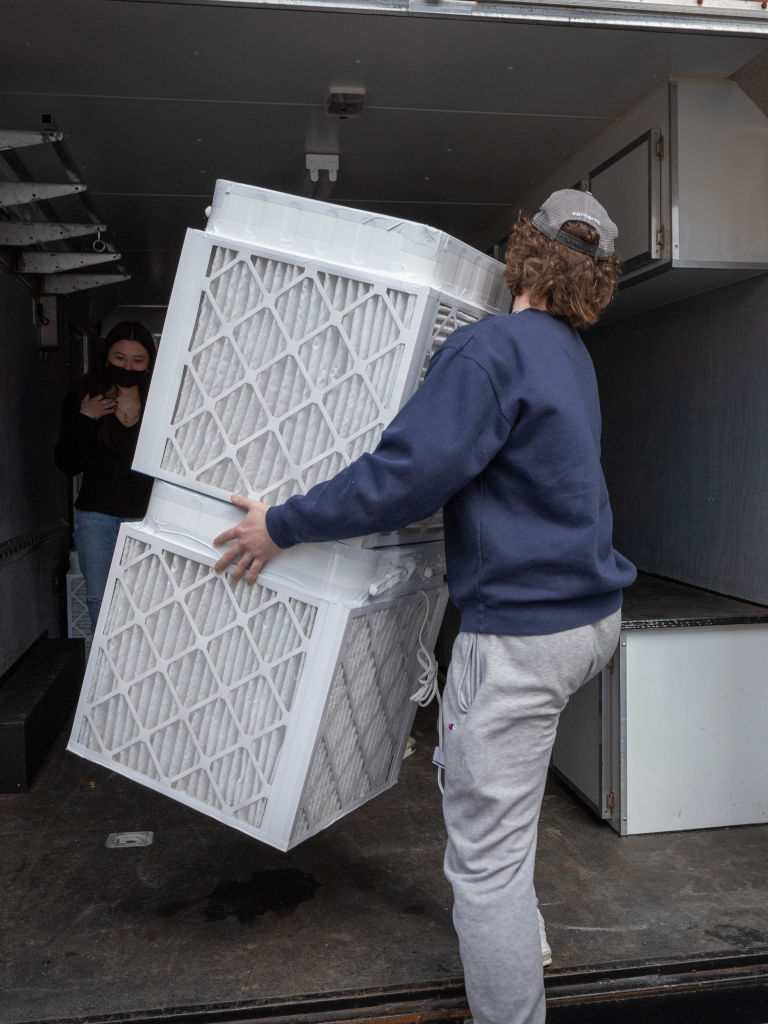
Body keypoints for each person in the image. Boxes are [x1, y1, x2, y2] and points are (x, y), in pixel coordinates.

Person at [212, 190, 637, 1024]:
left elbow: (399, 478)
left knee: (482, 864)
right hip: (590, 620)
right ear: (596, 283)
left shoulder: (490, 352)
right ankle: (525, 940)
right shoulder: (568, 356)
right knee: (503, 823)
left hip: (522, 634)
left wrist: (281, 526)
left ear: (522, 253)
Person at [55, 321, 156, 630]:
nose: (128, 366)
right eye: (119, 357)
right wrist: (87, 419)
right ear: (106, 357)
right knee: (101, 601)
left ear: (150, 363)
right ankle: (106, 677)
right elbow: (67, 463)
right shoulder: (86, 398)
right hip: (96, 519)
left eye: (137, 360)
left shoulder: (161, 402)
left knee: (147, 603)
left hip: (147, 519)